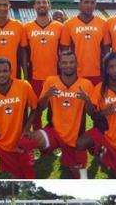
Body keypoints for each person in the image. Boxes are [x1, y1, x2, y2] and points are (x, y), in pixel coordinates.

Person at [28, 50, 93, 178]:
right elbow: (39, 108)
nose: (68, 65)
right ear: (59, 64)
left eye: (71, 62)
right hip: (55, 132)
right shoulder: (51, 81)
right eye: (64, 62)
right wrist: (47, 95)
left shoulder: (86, 84)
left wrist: (88, 101)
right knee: (28, 140)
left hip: (75, 138)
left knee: (81, 177)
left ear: (76, 63)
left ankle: (70, 160)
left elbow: (93, 114)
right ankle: (25, 164)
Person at [75, 52, 116, 178]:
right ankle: (84, 174)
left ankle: (104, 156)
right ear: (106, 69)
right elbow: (93, 116)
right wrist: (98, 109)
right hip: (103, 134)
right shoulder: (99, 88)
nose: (115, 70)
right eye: (111, 67)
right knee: (80, 143)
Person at [23, 0, 63, 129]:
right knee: (36, 110)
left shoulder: (59, 27)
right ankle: (37, 140)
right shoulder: (27, 27)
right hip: (35, 77)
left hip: (55, 77)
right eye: (38, 2)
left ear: (49, 5)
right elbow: (24, 53)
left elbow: (63, 52)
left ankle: (52, 139)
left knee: (55, 112)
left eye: (44, 2)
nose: (41, 5)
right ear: (34, 6)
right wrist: (26, 75)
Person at [59, 0, 107, 86]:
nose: (89, 5)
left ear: (95, 5)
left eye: (92, 3)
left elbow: (106, 51)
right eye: (86, 2)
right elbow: (64, 51)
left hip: (98, 74)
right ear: (80, 4)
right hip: (76, 74)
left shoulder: (103, 23)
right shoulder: (69, 24)